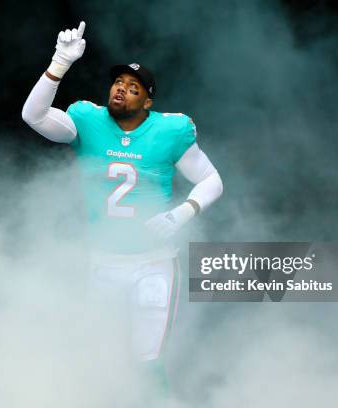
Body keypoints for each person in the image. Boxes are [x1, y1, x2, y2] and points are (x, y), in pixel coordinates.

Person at [22, 21, 223, 399]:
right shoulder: (88, 119)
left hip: (154, 263)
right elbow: (33, 116)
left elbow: (212, 180)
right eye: (119, 83)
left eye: (134, 88)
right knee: (101, 358)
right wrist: (58, 64)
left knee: (147, 359)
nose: (122, 90)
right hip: (103, 262)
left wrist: (181, 213)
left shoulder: (171, 130)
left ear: (148, 102)